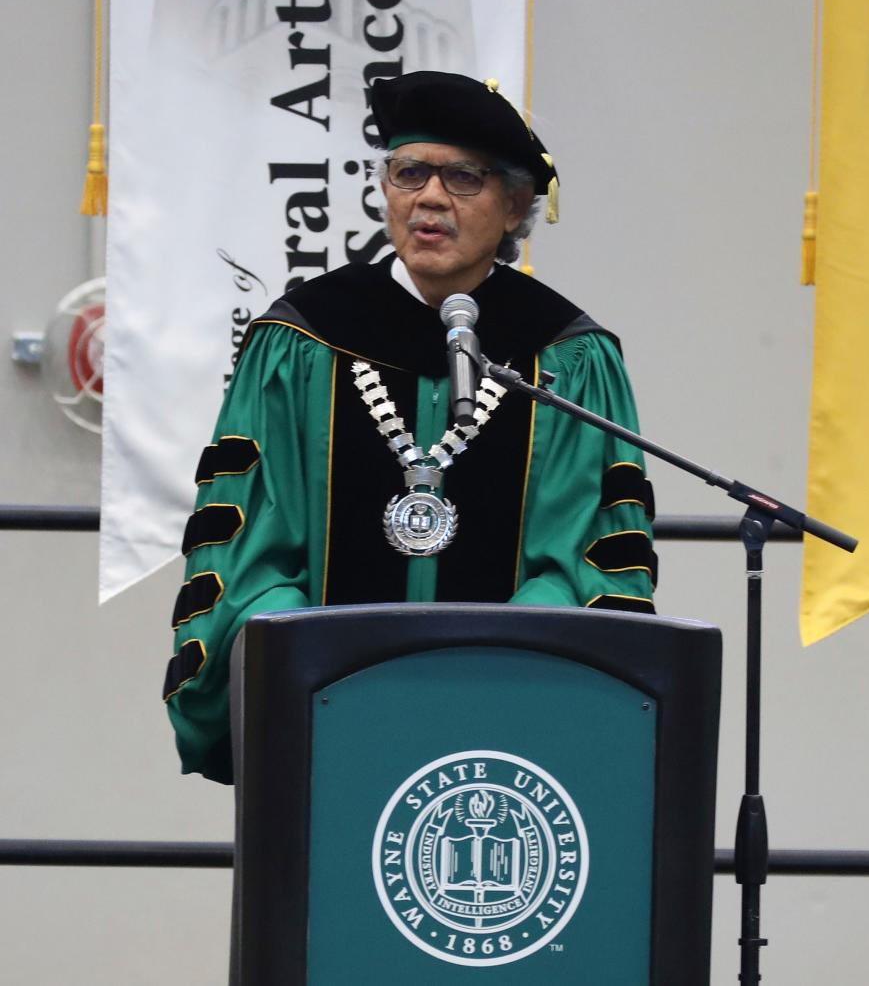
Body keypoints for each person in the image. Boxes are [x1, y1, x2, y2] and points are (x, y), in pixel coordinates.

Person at [164, 71, 657, 784]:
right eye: (409, 171)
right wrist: (312, 664)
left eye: (463, 177)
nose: (429, 197)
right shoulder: (301, 340)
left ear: (516, 203)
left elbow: (586, 559)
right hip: (321, 729)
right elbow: (250, 551)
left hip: (507, 743)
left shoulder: (567, 358)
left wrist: (489, 671)